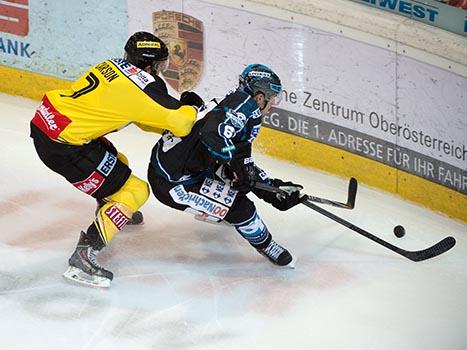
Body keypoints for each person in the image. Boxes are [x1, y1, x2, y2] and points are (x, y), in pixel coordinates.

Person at [30, 31, 203, 287]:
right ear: (148, 64)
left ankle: (110, 208)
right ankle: (85, 254)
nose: (160, 70)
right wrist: (192, 107)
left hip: (48, 122)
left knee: (116, 161)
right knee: (135, 191)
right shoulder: (143, 84)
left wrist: (165, 119)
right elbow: (181, 123)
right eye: (159, 65)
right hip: (63, 145)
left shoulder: (111, 65)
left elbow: (139, 116)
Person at [147, 64, 307, 267]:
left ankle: (231, 208)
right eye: (272, 98)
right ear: (259, 97)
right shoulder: (245, 108)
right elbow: (213, 135)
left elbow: (234, 154)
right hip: (173, 183)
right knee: (242, 208)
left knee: (237, 178)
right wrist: (239, 168)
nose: (273, 104)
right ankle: (265, 244)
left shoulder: (234, 103)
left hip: (186, 166)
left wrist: (271, 188)